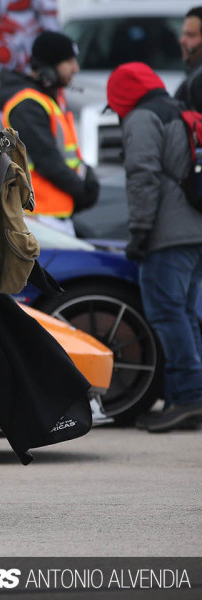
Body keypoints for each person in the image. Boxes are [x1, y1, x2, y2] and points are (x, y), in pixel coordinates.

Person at [105, 61, 202, 433]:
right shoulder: (182, 111)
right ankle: (189, 396)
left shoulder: (144, 119)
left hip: (169, 235)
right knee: (185, 313)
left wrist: (140, 232)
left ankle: (187, 397)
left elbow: (142, 175)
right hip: (195, 231)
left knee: (166, 313)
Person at [0, 30, 99, 235]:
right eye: (69, 61)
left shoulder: (45, 100)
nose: (75, 68)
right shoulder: (28, 104)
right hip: (37, 219)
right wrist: (83, 190)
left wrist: (87, 179)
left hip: (50, 215)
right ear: (49, 66)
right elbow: (47, 160)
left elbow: (67, 157)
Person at [173, 6, 202, 112]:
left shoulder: (198, 80)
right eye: (183, 34)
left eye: (190, 35)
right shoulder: (194, 75)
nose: (182, 41)